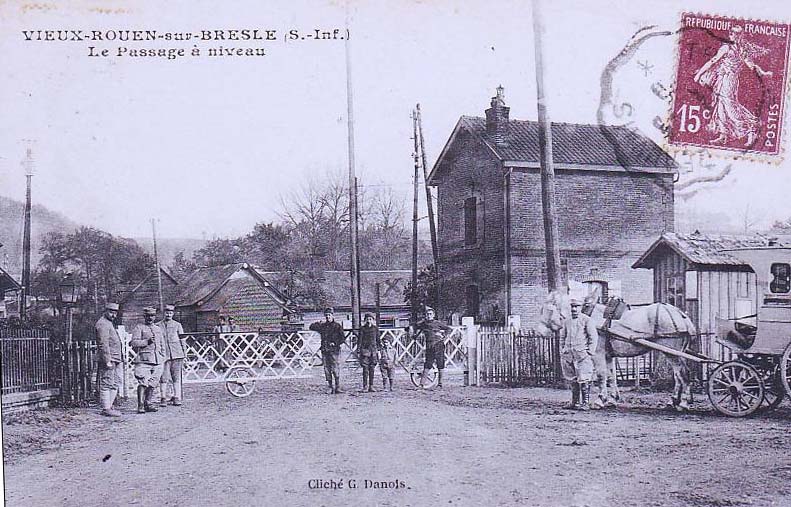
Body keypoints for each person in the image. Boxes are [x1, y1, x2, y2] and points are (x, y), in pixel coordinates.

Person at [693, 25, 773, 147]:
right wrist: (699, 74)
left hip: (730, 80)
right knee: (720, 105)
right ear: (730, 34)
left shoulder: (741, 50)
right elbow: (713, 61)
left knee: (730, 106)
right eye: (734, 34)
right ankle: (723, 135)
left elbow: (751, 65)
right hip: (722, 79)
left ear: (741, 36)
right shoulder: (727, 48)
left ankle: (751, 127)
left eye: (738, 34)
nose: (735, 36)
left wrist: (763, 73)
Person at [560, 298, 599, 411]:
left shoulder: (587, 320)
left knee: (584, 378)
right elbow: (563, 337)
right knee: (572, 379)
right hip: (569, 355)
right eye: (572, 307)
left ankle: (585, 403)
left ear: (581, 308)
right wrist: (563, 350)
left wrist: (589, 352)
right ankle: (575, 402)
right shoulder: (567, 321)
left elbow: (593, 337)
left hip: (582, 355)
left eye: (576, 307)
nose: (574, 309)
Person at [130, 307, 167, 413]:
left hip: (157, 360)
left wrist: (163, 357)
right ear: (144, 317)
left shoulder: (158, 329)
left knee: (153, 383)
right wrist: (146, 341)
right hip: (143, 360)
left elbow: (162, 344)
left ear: (155, 317)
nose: (150, 318)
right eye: (148, 316)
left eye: (152, 316)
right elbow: (134, 343)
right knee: (143, 382)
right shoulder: (139, 328)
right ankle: (140, 405)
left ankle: (148, 403)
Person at [412, 306, 453, 389]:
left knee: (440, 364)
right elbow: (414, 326)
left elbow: (449, 329)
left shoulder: (437, 323)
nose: (428, 315)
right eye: (427, 314)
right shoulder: (423, 323)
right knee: (427, 364)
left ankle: (440, 384)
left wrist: (444, 336)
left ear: (433, 315)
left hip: (439, 345)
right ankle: (421, 385)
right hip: (429, 346)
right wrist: (414, 334)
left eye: (430, 314)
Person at [309, 307, 346, 394]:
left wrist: (335, 343)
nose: (327, 317)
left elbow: (342, 338)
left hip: (334, 351)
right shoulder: (323, 326)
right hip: (325, 350)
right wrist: (318, 323)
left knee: (335, 368)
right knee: (327, 369)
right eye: (326, 315)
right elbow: (311, 327)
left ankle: (337, 387)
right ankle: (330, 387)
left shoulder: (337, 326)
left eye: (329, 315)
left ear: (332, 315)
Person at [95, 302, 123, 417]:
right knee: (107, 382)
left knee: (115, 382)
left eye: (115, 313)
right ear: (105, 311)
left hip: (115, 358)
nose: (113, 315)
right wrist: (107, 360)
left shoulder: (108, 323)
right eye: (111, 312)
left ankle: (109, 406)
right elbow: (103, 344)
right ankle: (106, 408)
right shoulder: (102, 324)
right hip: (109, 358)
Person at [158, 304, 186, 407]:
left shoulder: (177, 325)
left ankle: (177, 397)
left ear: (173, 314)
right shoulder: (158, 325)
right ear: (164, 313)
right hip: (164, 355)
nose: (168, 314)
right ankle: (163, 398)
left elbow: (182, 340)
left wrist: (184, 353)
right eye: (166, 312)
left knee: (176, 377)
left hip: (177, 354)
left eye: (170, 313)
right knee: (163, 377)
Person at [357, 313, 379, 392]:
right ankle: (365, 386)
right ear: (365, 320)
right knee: (365, 369)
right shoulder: (362, 329)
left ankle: (371, 386)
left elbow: (378, 339)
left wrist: (379, 349)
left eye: (370, 319)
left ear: (373, 320)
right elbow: (360, 340)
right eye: (367, 319)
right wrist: (359, 350)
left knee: (372, 368)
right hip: (365, 350)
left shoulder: (375, 329)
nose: (369, 321)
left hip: (373, 351)